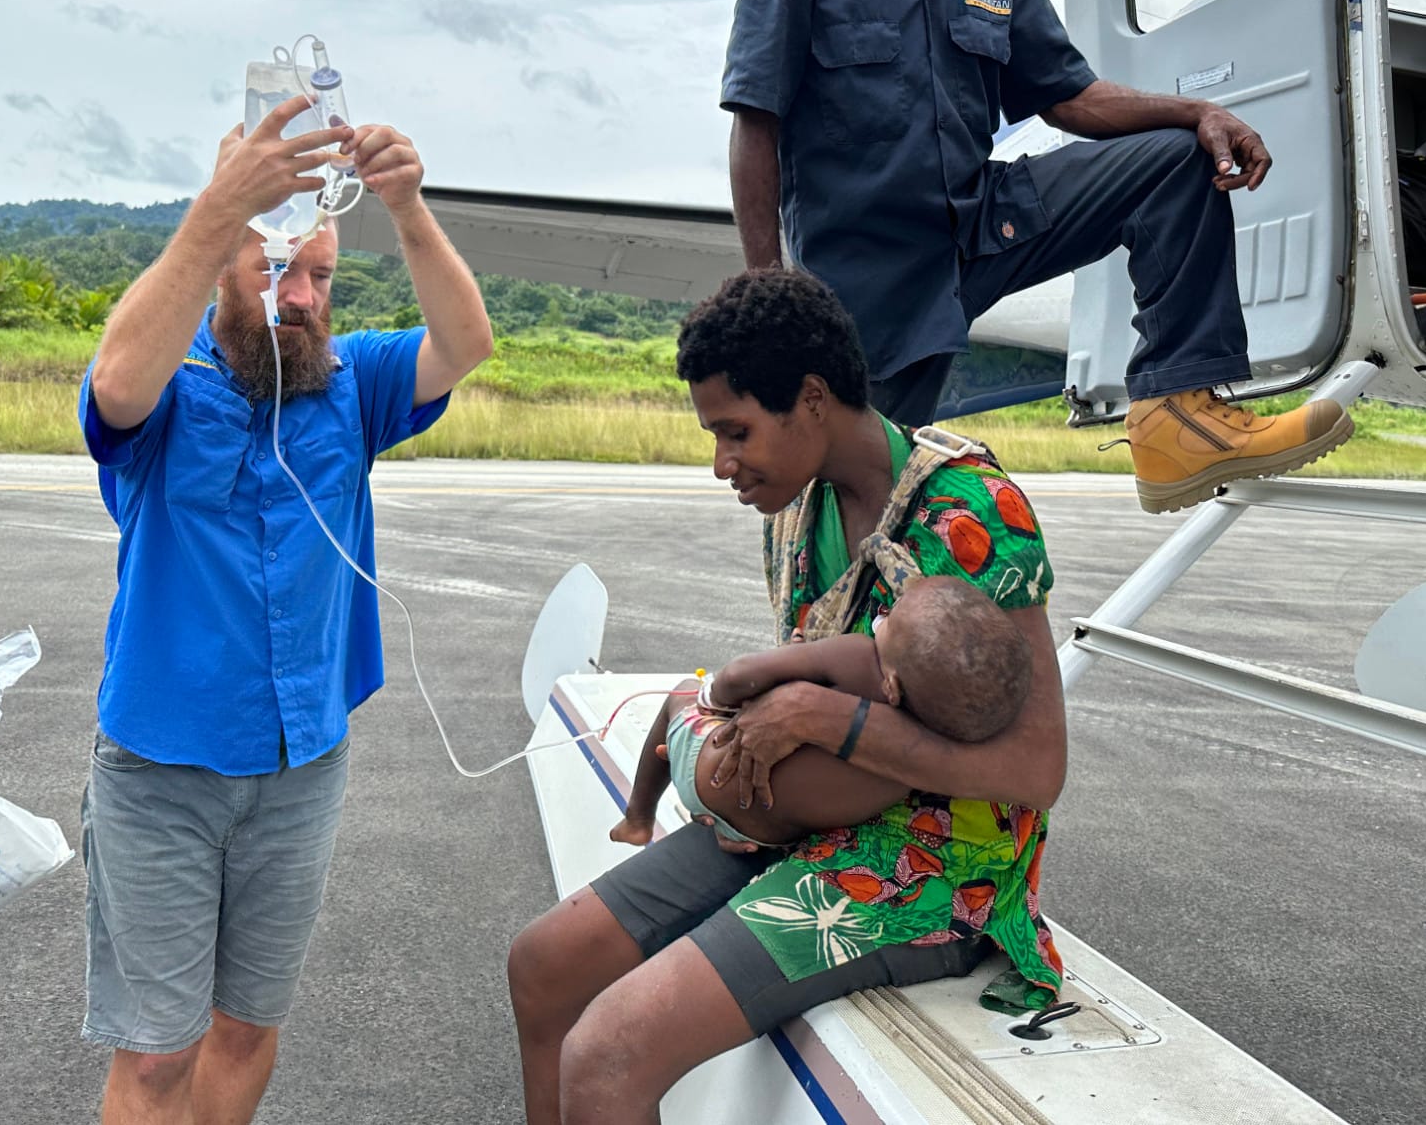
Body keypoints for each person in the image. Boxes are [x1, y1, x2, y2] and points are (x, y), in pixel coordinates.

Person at [721, 0, 1354, 515]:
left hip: (985, 228)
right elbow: (756, 127)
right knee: (862, 502)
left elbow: (1073, 98)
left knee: (1171, 158)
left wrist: (1197, 109)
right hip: (867, 275)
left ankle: (1178, 416)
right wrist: (769, 292)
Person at [508, 268, 1065, 1124]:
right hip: (808, 822)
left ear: (810, 399)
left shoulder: (972, 512)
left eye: (736, 432)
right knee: (542, 967)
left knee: (610, 1052)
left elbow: (1035, 768)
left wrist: (831, 724)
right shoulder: (797, 510)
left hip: (933, 867)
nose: (721, 464)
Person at [77, 96, 494, 1125]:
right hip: (163, 773)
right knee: (155, 1059)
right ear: (225, 269)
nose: (299, 296)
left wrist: (409, 210)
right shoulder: (167, 394)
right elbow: (117, 382)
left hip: (302, 766)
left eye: (316, 275)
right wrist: (218, 210)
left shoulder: (355, 385)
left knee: (249, 1028)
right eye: (273, 270)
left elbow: (466, 341)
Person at [612, 575, 1030, 849]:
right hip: (764, 836)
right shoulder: (910, 767)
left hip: (710, 772)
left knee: (680, 694)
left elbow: (743, 674)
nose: (881, 617)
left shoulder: (859, 657)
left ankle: (638, 817)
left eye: (891, 619)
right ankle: (721, 824)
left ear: (893, 687)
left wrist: (714, 697)